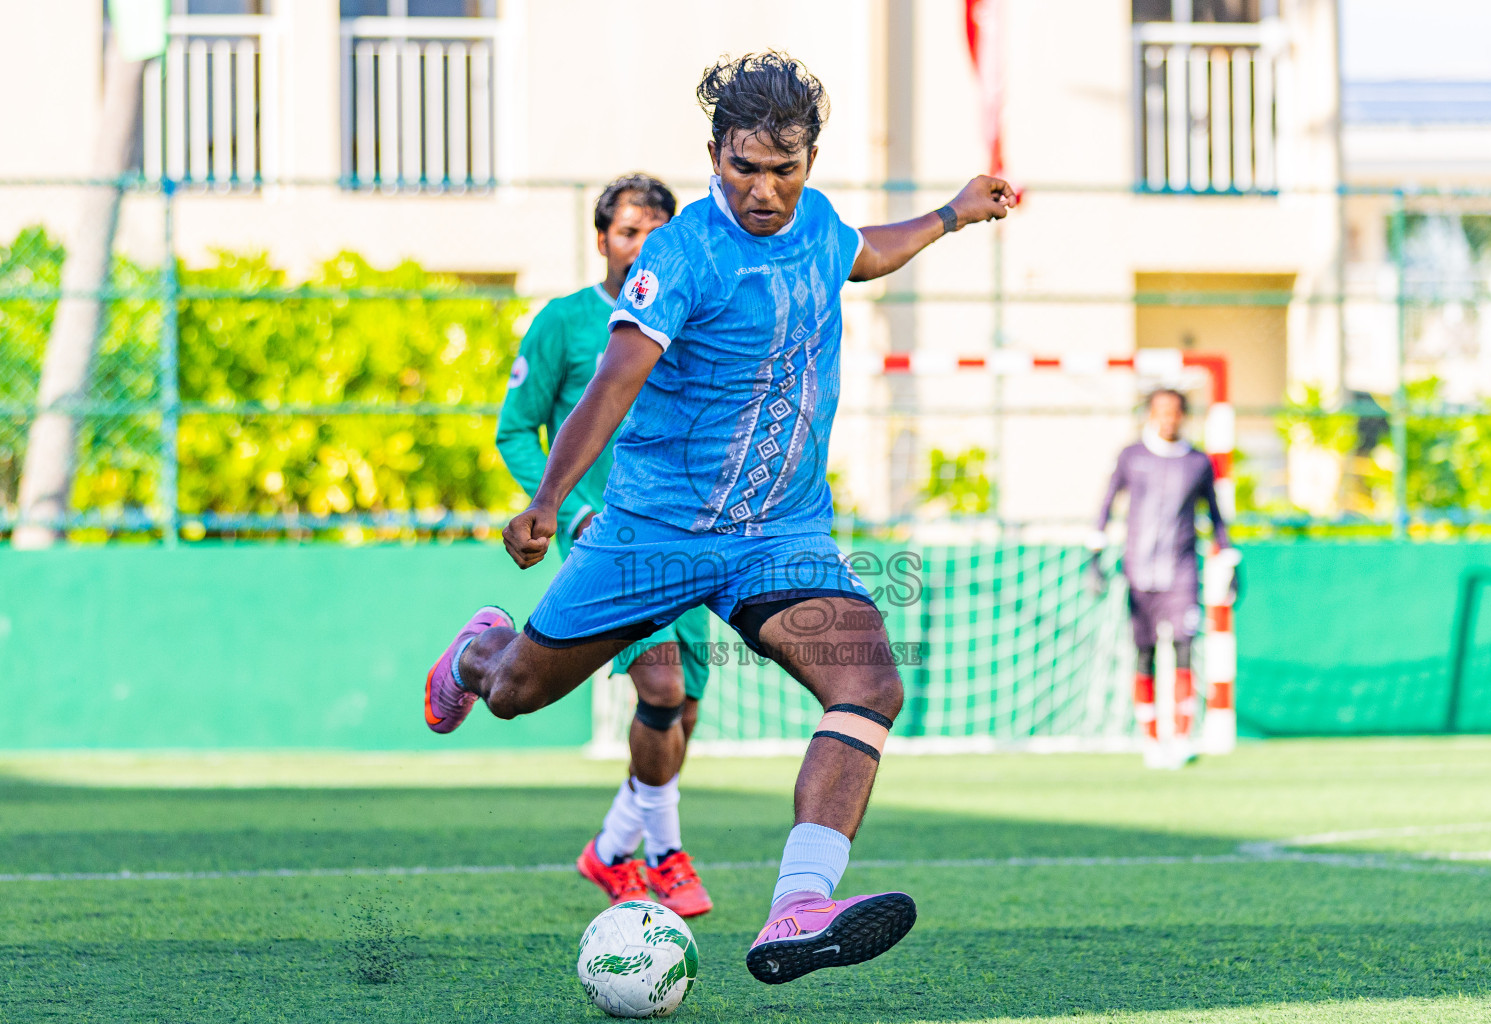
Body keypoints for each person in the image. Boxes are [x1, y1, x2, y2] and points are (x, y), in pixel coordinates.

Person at [424, 51, 1015, 984]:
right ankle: (475, 654)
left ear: (810, 160)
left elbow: (862, 251)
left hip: (778, 536)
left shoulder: (816, 222)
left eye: (785, 170)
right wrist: (546, 502)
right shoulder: (683, 251)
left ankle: (797, 908)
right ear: (714, 152)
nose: (766, 191)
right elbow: (615, 383)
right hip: (652, 535)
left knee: (870, 685)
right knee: (516, 693)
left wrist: (950, 214)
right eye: (746, 168)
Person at [492, 173, 714, 918]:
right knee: (659, 689)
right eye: (628, 233)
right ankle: (666, 855)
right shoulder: (566, 322)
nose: (641, 246)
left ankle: (611, 848)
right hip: (606, 537)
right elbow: (516, 428)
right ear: (602, 241)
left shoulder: (692, 323)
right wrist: (564, 509)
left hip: (687, 537)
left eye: (656, 233)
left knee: (678, 719)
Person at [1090, 388, 1234, 769]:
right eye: (1161, 411)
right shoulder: (1131, 456)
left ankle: (1183, 736)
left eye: (1175, 412)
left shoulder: (1198, 461)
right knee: (1145, 652)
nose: (1168, 418)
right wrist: (1094, 554)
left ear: (1184, 415)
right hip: (1138, 570)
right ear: (1151, 415)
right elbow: (1106, 503)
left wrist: (1231, 557)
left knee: (1185, 645)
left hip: (1183, 569)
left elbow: (1215, 516)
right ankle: (1152, 739)